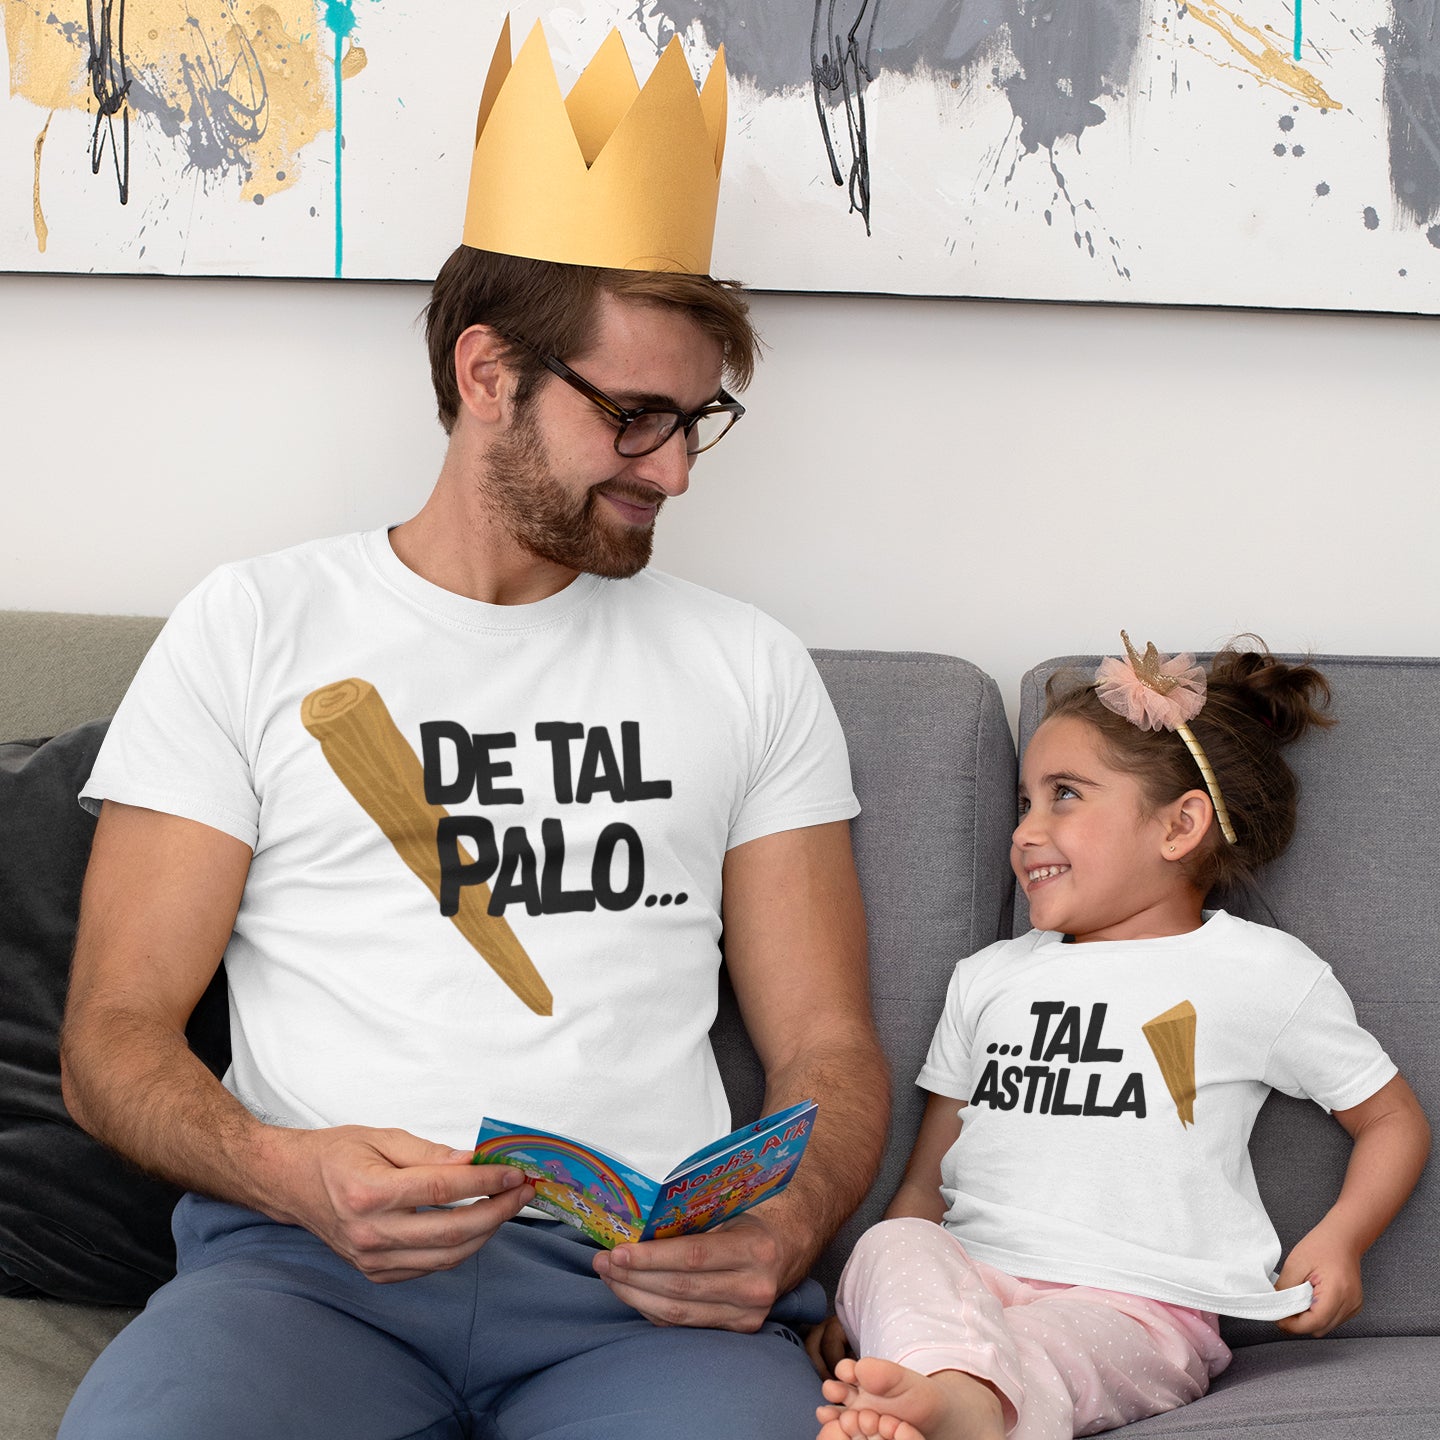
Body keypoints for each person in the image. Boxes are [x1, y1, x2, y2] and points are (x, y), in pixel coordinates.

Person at [56, 20, 889, 1440]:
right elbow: (112, 1039)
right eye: (635, 417)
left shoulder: (746, 666)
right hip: (306, 1276)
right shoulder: (252, 624)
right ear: (490, 371)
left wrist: (797, 1222)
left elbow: (828, 1048)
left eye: (698, 421)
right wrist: (282, 1170)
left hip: (637, 1295)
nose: (676, 469)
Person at [811, 635, 1430, 1440]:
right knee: (890, 1245)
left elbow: (1392, 1120)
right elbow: (928, 1187)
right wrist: (873, 1310)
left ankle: (953, 1406)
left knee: (1053, 1351)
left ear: (1180, 826)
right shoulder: (988, 977)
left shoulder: (1259, 972)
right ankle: (939, 1389)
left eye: (1063, 794)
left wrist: (1343, 1237)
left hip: (1140, 1306)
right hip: (973, 1276)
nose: (1026, 831)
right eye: (1024, 802)